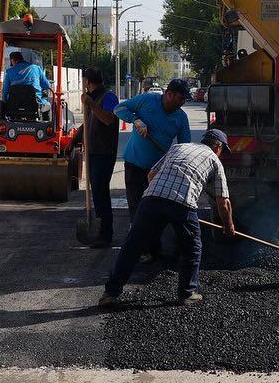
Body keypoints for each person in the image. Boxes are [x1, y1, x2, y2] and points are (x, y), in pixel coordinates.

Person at [98, 129, 237, 307]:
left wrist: (162, 199)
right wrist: (228, 225)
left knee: (133, 245)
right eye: (222, 150)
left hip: (151, 198)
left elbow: (151, 175)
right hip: (182, 203)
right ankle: (187, 294)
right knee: (192, 247)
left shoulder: (178, 148)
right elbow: (223, 202)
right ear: (218, 147)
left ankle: (110, 293)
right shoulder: (214, 161)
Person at [113, 79, 192, 261]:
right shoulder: (147, 100)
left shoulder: (180, 117)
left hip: (159, 170)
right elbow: (118, 109)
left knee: (157, 210)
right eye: (181, 98)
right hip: (135, 164)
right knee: (138, 208)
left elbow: (185, 146)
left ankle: (154, 247)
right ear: (170, 94)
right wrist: (136, 120)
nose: (183, 102)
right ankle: (137, 250)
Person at [74, 67, 119, 247]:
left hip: (104, 153)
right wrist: (73, 141)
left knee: (101, 194)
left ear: (88, 82)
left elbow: (108, 119)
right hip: (93, 152)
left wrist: (91, 104)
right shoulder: (92, 98)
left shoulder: (108, 97)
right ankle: (102, 231)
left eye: (84, 80)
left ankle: (106, 234)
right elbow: (87, 123)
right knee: (97, 193)